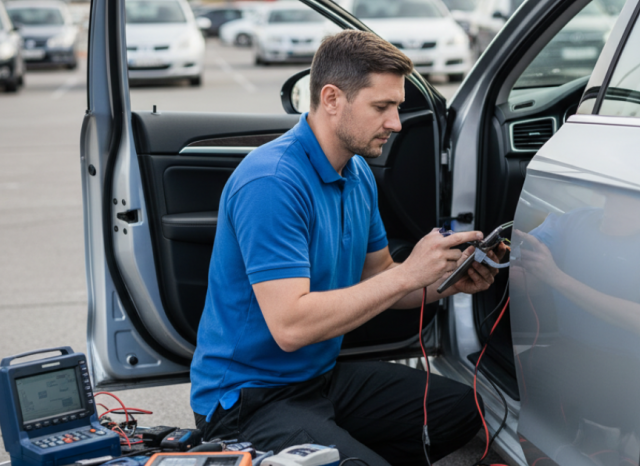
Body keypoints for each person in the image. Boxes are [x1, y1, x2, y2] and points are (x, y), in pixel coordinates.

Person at [190, 30, 505, 465]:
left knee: (461, 411)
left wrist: (445, 284)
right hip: (247, 401)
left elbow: (378, 276)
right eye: (382, 107)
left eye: (396, 106)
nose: (395, 122)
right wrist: (409, 273)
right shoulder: (272, 182)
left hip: (318, 380)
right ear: (332, 99)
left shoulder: (356, 173)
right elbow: (291, 327)